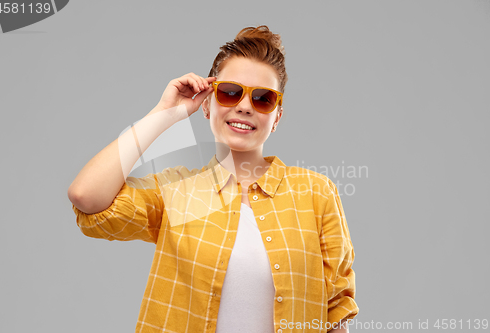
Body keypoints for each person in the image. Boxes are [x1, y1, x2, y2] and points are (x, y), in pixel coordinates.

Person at [68, 25, 358, 333]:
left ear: (277, 117)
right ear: (207, 103)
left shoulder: (316, 194)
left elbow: (334, 311)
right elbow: (86, 196)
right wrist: (164, 113)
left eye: (263, 99)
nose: (245, 106)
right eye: (230, 92)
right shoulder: (177, 192)